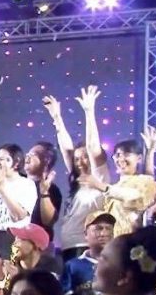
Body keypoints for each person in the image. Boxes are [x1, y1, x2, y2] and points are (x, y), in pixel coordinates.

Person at [43, 88, 110, 260]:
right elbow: (67, 150)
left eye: (85, 157)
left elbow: (93, 147)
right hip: (68, 245)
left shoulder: (99, 178)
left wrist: (89, 111)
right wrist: (57, 118)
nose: (80, 161)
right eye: (77, 158)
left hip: (86, 246)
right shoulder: (78, 182)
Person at [62, 212, 116, 295]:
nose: (103, 233)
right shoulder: (73, 266)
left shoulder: (120, 264)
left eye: (108, 228)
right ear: (86, 234)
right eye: (98, 229)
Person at [25, 141, 62, 239]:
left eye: (33, 155)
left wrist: (44, 192)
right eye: (28, 154)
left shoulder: (52, 190)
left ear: (46, 161)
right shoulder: (17, 183)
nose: (27, 157)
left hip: (38, 244)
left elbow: (48, 221)